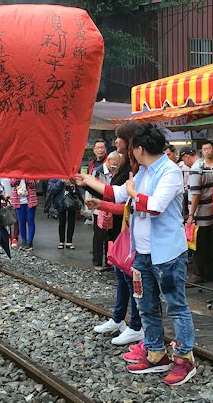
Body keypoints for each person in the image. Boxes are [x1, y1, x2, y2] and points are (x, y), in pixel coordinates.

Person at [77, 123, 196, 386]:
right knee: (146, 304)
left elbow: (154, 206)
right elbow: (118, 194)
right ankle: (155, 353)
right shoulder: (144, 170)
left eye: (130, 146)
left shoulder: (170, 172)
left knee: (176, 306)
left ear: (139, 148)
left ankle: (185, 359)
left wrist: (132, 192)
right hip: (142, 252)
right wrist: (86, 180)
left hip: (166, 254)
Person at [84, 121, 144, 346]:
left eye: (119, 138)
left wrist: (102, 203)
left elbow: (126, 202)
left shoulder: (137, 168)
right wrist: (89, 186)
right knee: (122, 275)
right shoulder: (128, 164)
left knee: (131, 279)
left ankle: (136, 325)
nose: (115, 141)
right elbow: (117, 196)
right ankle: (120, 319)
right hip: (121, 229)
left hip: (130, 230)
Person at [180, 147, 213, 283]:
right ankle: (209, 273)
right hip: (208, 212)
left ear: (187, 156)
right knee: (208, 244)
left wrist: (191, 215)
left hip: (200, 214)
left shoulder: (196, 169)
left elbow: (195, 194)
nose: (184, 162)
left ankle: (200, 274)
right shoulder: (204, 164)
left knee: (199, 246)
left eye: (183, 159)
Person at [90, 151, 121, 269]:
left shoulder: (116, 172)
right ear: (108, 160)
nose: (116, 166)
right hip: (98, 207)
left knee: (110, 235)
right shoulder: (98, 171)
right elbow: (91, 189)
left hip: (111, 206)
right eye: (114, 164)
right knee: (99, 234)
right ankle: (97, 262)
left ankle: (109, 260)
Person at [48, 178, 84, 250]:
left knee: (71, 221)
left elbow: (80, 189)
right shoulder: (55, 176)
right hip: (60, 201)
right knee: (61, 222)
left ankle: (69, 242)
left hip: (72, 200)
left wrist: (73, 185)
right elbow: (51, 190)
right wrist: (61, 181)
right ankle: (61, 241)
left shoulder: (72, 174)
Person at [10, 178, 38, 250]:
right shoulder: (14, 172)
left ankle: (29, 242)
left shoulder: (31, 173)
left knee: (30, 221)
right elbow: (12, 183)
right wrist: (18, 178)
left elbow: (33, 184)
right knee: (21, 222)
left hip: (30, 200)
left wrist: (27, 178)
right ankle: (23, 241)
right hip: (18, 201)